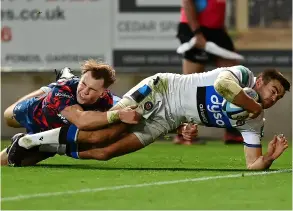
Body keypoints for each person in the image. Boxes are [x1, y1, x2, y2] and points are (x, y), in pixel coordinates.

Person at [8, 65, 291, 170]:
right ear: (261, 80)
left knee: (105, 152)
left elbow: (252, 163)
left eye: (279, 97)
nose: (274, 98)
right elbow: (221, 87)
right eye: (274, 90)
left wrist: (268, 158)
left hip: (167, 119)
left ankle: (37, 144)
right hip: (161, 90)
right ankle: (37, 135)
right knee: (108, 131)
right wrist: (252, 105)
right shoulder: (241, 75)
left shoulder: (255, 120)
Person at [1, 59, 140, 166]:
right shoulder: (65, 90)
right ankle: (49, 88)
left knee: (13, 161)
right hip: (32, 114)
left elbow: (126, 108)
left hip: (50, 136)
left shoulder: (109, 101)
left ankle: (32, 142)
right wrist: (119, 114)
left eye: (92, 89)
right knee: (8, 116)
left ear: (103, 93)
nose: (84, 92)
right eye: (83, 84)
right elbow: (81, 120)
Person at [176, 0, 242, 145]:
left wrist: (224, 37)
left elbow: (218, 9)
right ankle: (184, 132)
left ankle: (231, 130)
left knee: (232, 76)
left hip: (217, 31)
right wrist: (197, 33)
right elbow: (188, 2)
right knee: (190, 83)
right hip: (195, 29)